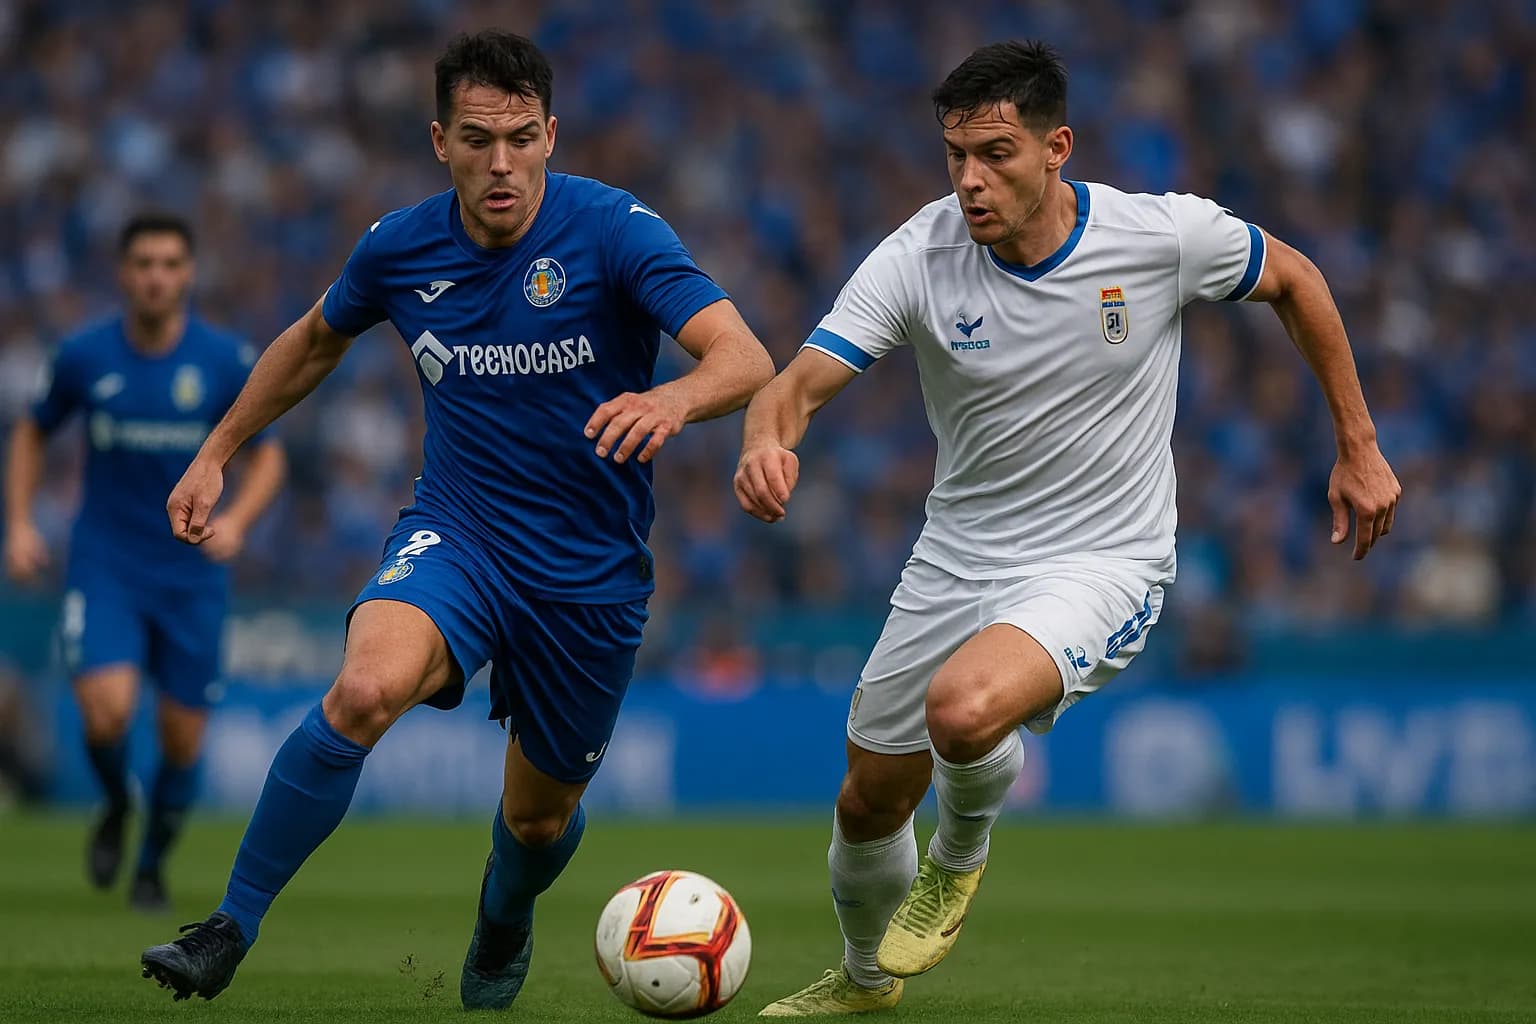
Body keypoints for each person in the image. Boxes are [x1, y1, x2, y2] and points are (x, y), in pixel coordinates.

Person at [738, 41, 1401, 1016]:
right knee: (867, 798)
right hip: (954, 556)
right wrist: (766, 442)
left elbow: (1296, 279)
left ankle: (958, 858)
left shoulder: (1158, 235)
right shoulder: (919, 255)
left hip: (1103, 560)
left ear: (1057, 149)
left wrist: (1360, 444)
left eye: (995, 154)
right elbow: (793, 387)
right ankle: (866, 979)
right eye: (956, 155)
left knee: (963, 710)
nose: (970, 179)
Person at [139, 29, 774, 1009]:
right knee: (363, 688)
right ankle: (229, 926)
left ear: (551, 134)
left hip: (589, 574)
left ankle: (503, 916)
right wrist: (216, 450)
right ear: (442, 141)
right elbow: (312, 342)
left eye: (521, 138)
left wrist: (674, 399)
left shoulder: (615, 231)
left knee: (536, 821)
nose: (501, 162)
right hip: (459, 536)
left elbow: (743, 356)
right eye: (478, 140)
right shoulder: (400, 246)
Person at [4, 213, 286, 911]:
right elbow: (32, 432)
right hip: (106, 564)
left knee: (182, 742)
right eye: (144, 264)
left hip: (192, 574)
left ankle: (152, 864)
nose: (157, 277)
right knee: (106, 714)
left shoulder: (224, 361)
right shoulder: (83, 355)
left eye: (170, 264)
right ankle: (115, 804)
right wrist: (20, 523)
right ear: (123, 273)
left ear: (188, 274)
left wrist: (238, 522)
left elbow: (269, 456)